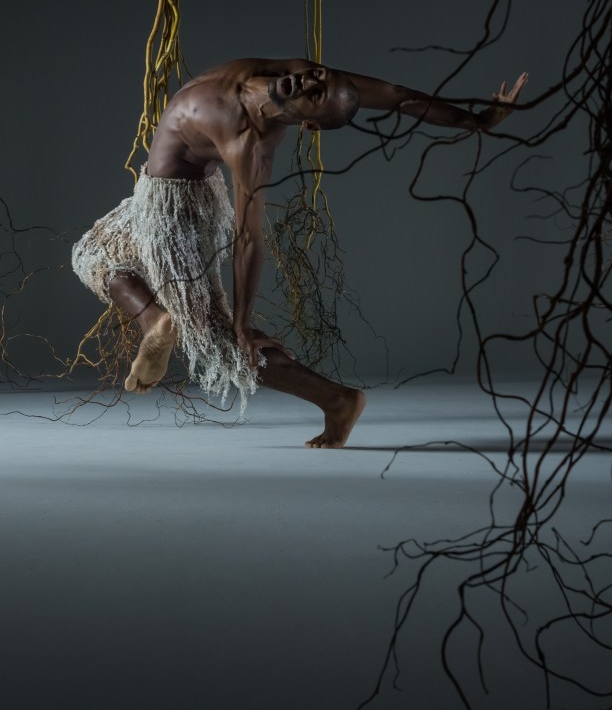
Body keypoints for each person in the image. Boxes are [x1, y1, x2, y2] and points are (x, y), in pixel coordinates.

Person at [72, 58, 527, 448]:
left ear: (306, 122)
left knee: (218, 342)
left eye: (313, 95)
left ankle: (336, 399)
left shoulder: (250, 144)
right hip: (153, 196)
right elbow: (395, 94)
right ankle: (156, 319)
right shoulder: (303, 73)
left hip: (177, 213)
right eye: (317, 78)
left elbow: (249, 239)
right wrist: (477, 121)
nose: (307, 82)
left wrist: (243, 324)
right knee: (93, 252)